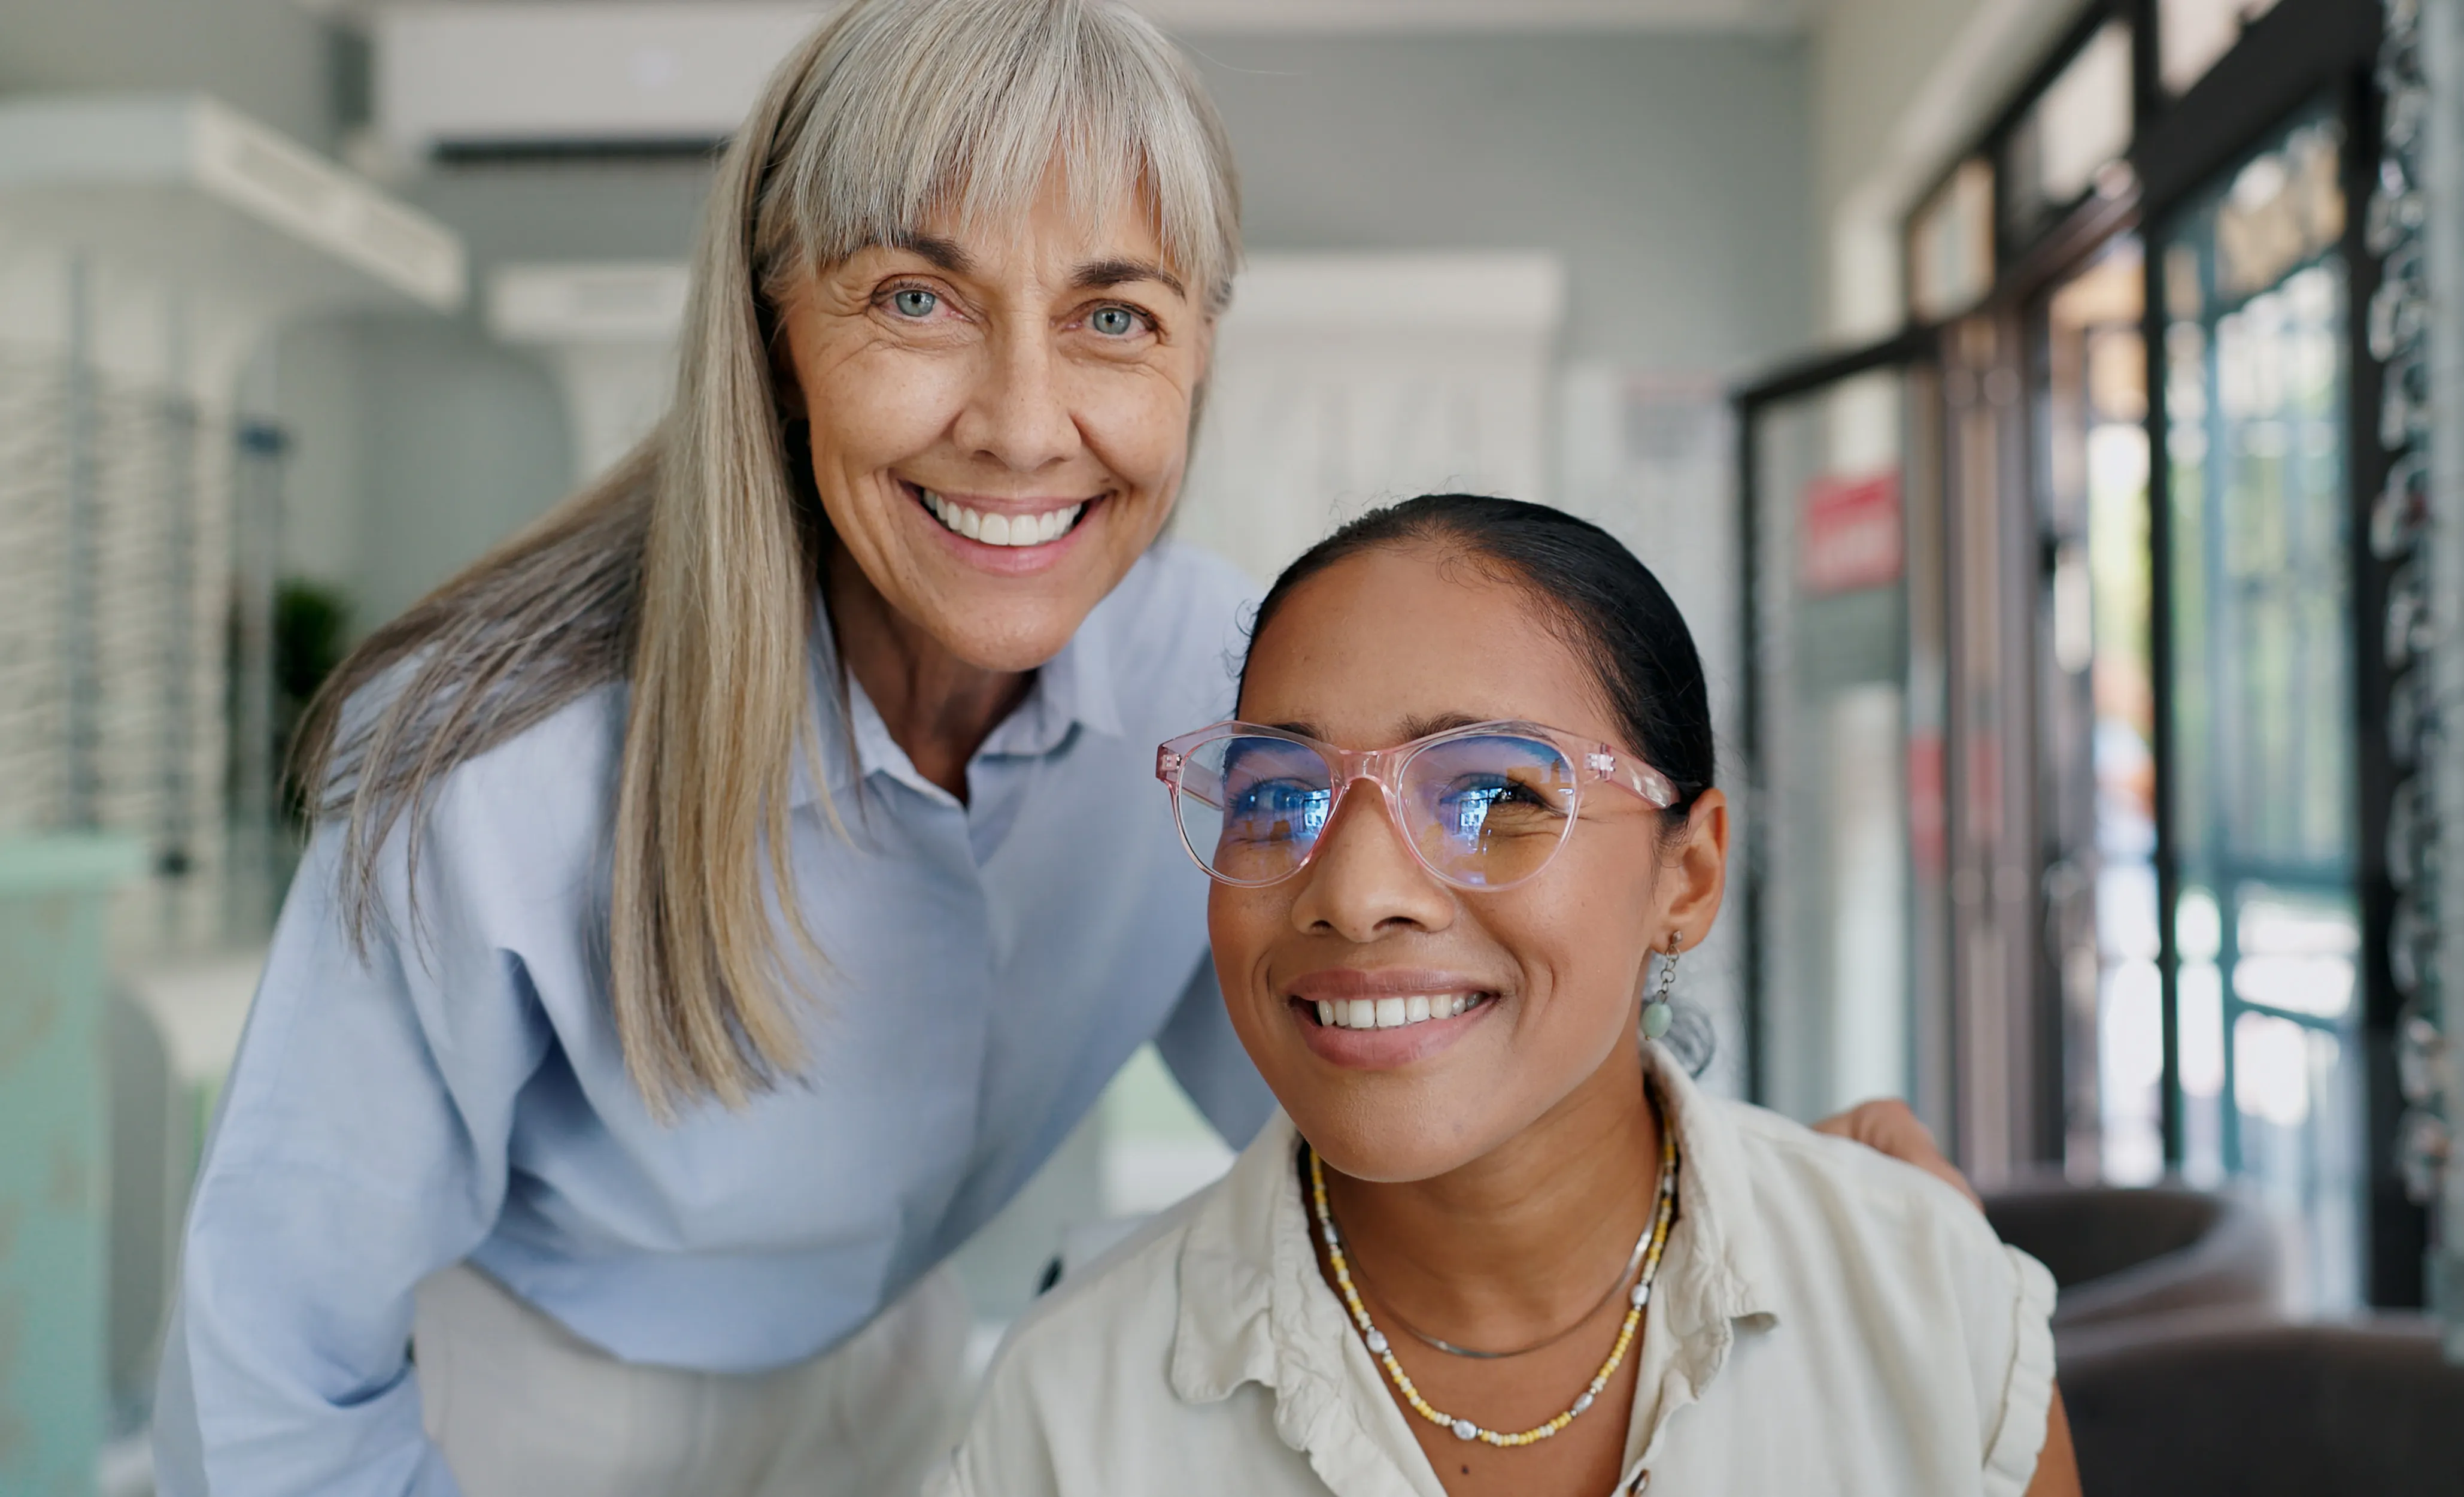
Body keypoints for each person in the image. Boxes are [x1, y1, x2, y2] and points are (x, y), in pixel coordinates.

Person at [155, 5, 1967, 1493]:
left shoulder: (1231, 701)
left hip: (907, 1373)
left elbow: (1376, 1076)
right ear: (778, 334)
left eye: (1113, 315)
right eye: (916, 299)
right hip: (526, 1407)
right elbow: (270, 1361)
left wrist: (1769, 1209)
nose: (1024, 427)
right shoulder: (500, 759)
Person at [940, 495, 2080, 1497]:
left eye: (1489, 794)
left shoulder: (1928, 1306)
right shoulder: (1067, 1414)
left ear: (1686, 876)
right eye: (1280, 800)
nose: (1355, 894)